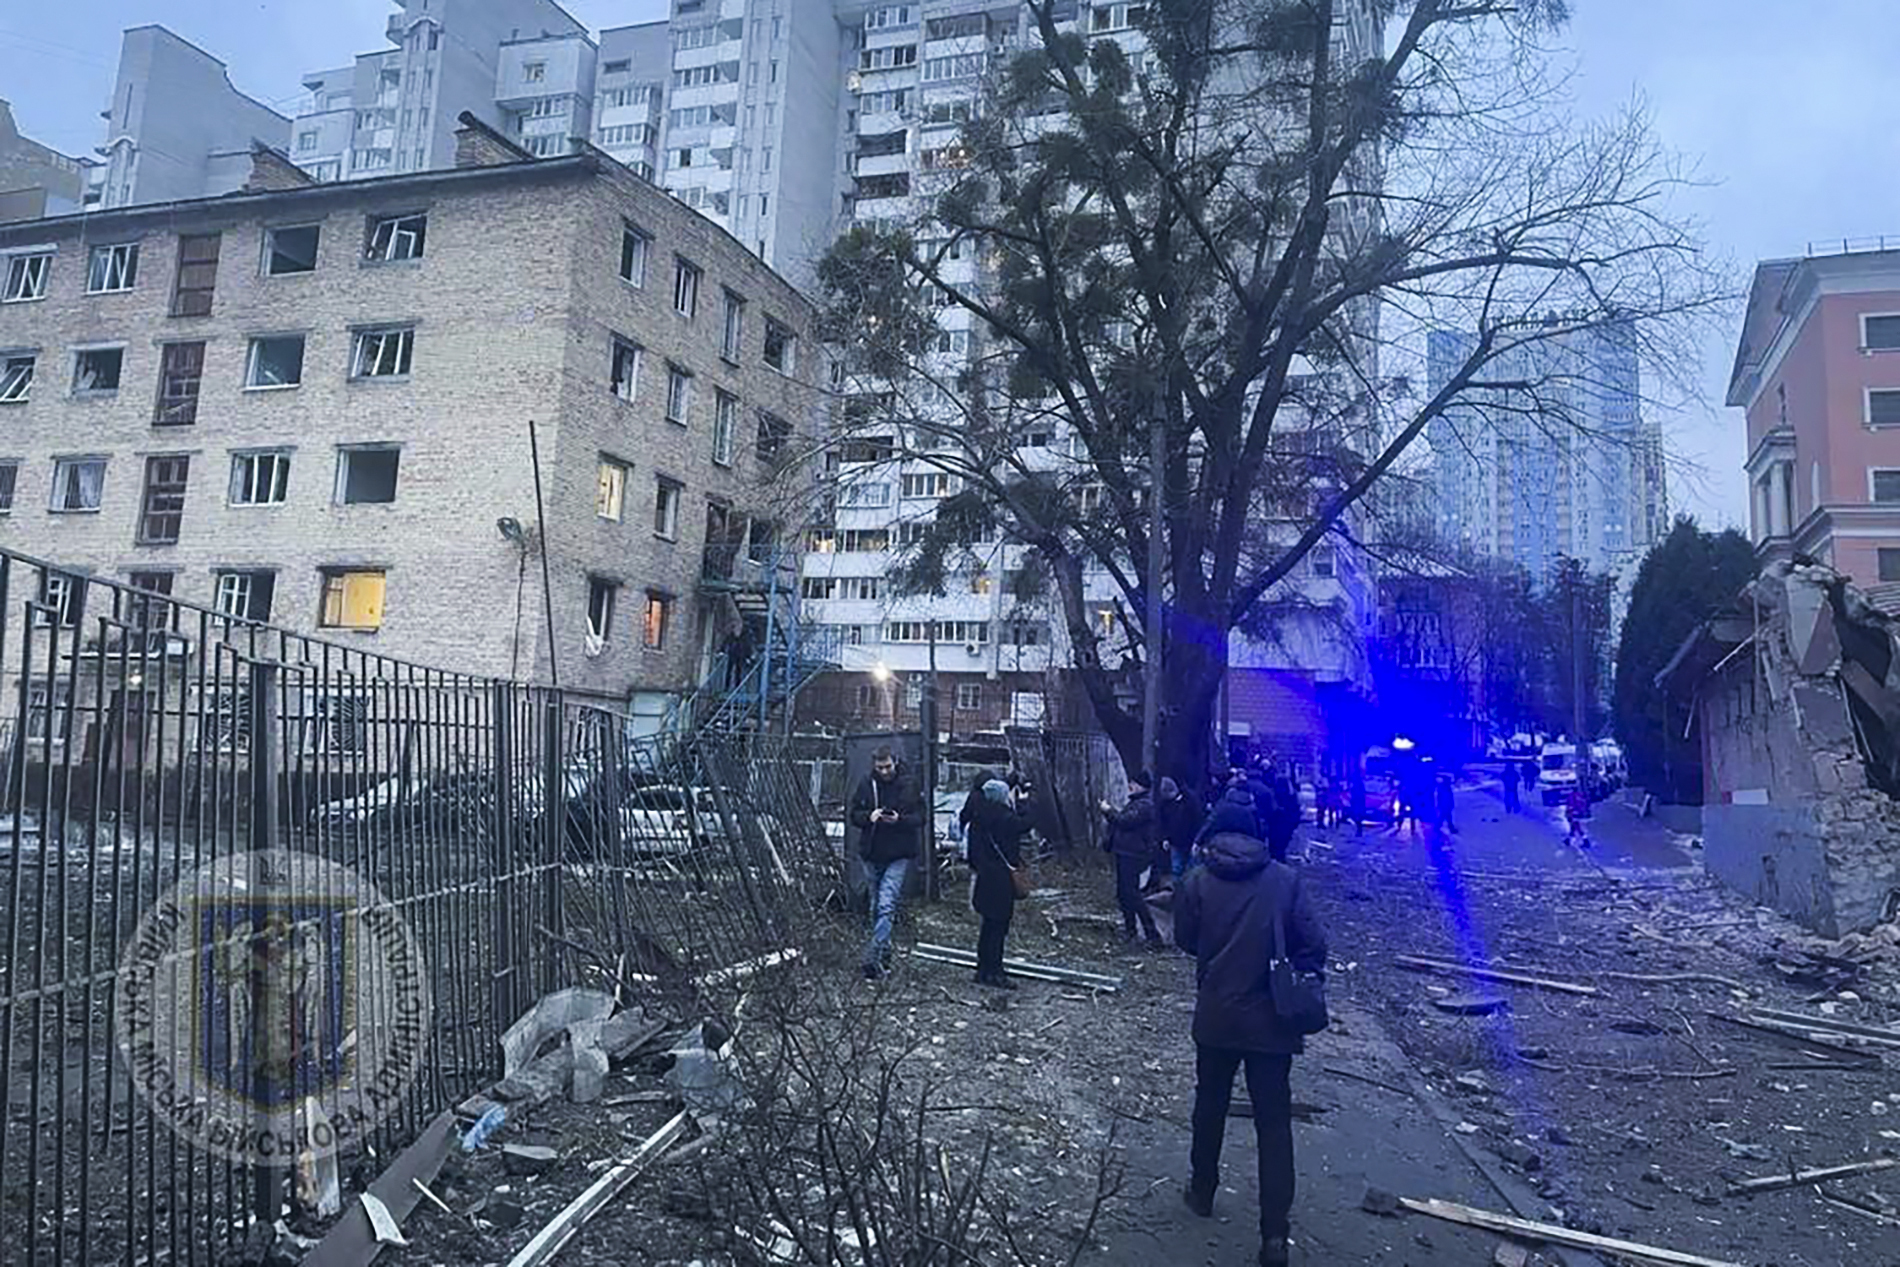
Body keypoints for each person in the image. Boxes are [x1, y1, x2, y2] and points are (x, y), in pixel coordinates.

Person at [1174, 791, 1328, 1267]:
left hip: (1217, 1014)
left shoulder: (1197, 881)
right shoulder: (1284, 880)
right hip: (1272, 1022)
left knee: (1210, 1104)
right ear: (1256, 835)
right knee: (1274, 1125)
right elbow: (1315, 943)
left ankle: (1202, 1190)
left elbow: (1183, 939)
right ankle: (1274, 1237)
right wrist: (1287, 971)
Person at [848, 747, 924, 978]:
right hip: (872, 852)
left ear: (895, 762)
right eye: (880, 768)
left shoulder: (909, 784)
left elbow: (921, 817)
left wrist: (899, 820)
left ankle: (872, 959)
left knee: (886, 904)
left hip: (899, 852)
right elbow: (854, 813)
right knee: (876, 906)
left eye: (887, 767)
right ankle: (884, 954)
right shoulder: (866, 784)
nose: (884, 771)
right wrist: (868, 817)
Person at [967, 778, 1031, 988]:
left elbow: (972, 852)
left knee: (987, 926)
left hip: (985, 877)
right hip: (1002, 879)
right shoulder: (1006, 817)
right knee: (999, 927)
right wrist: (1024, 802)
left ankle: (982, 969)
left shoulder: (978, 817)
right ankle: (996, 972)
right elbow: (1026, 823)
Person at [1102, 772, 1163, 946]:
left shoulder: (1144, 806)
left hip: (1134, 854)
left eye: (1134, 783)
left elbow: (1124, 821)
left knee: (1132, 894)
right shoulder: (1136, 803)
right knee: (1123, 894)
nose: (1130, 785)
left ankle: (1151, 934)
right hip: (1125, 853)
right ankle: (1131, 930)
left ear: (1141, 786)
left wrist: (1108, 811)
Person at [1159, 774, 1206, 880]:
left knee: (1190, 870)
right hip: (1176, 842)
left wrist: (1198, 841)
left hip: (1191, 840)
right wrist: (1165, 838)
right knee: (1177, 869)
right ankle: (1178, 892)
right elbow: (1164, 823)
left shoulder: (1190, 801)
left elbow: (1198, 820)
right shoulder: (1165, 804)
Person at [1566, 780, 1593, 849]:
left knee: (1577, 827)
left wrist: (1568, 813)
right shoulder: (1580, 796)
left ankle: (1586, 841)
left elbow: (1570, 805)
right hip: (1578, 813)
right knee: (1574, 827)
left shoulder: (1571, 796)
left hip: (1573, 814)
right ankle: (1568, 840)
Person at [1348, 766, 1366, 837]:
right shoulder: (1359, 783)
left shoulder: (1358, 783)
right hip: (1357, 802)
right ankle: (1359, 830)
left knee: (1357, 817)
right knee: (1356, 817)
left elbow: (1358, 793)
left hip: (1357, 802)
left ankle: (1359, 831)